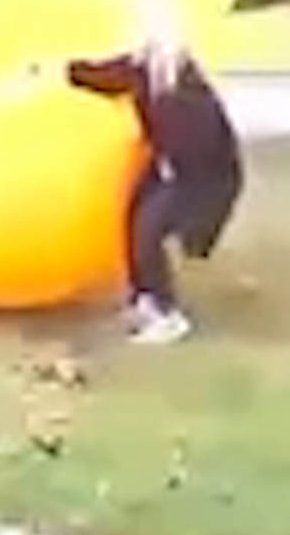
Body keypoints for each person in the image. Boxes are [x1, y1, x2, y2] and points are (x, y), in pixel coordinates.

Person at [66, 39, 244, 344]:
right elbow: (104, 76)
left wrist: (196, 226)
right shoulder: (144, 69)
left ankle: (167, 316)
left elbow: (204, 159)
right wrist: (64, 71)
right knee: (135, 217)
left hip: (204, 180)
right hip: (173, 169)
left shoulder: (188, 95)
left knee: (147, 231)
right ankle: (144, 298)